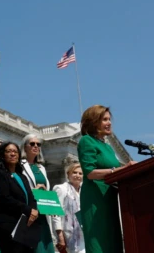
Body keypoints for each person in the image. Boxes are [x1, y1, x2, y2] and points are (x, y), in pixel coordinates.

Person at [77, 105, 135, 253]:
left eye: (109, 119)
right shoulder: (86, 141)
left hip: (110, 196)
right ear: (93, 122)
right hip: (95, 198)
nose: (109, 123)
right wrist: (121, 169)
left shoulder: (108, 147)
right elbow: (89, 172)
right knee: (99, 241)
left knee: (112, 242)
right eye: (104, 120)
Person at [0, 142, 39, 253]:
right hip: (9, 224)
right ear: (2, 155)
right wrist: (29, 210)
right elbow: (5, 198)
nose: (12, 154)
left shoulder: (22, 176)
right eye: (8, 151)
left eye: (15, 151)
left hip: (26, 223)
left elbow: (31, 196)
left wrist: (34, 210)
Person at [20, 134, 57, 253]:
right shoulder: (20, 166)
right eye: (32, 144)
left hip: (43, 211)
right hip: (30, 211)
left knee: (47, 247)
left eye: (38, 144)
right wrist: (34, 190)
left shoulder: (41, 168)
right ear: (25, 147)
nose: (36, 146)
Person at [52, 163, 85, 253]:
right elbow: (56, 214)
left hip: (83, 234)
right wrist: (60, 236)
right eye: (74, 172)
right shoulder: (61, 188)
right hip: (68, 235)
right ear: (68, 174)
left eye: (80, 173)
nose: (77, 175)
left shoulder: (84, 190)